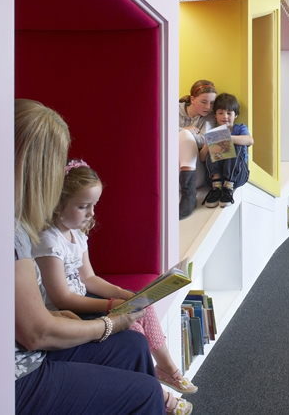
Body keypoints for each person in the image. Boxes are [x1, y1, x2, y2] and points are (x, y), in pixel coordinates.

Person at [13, 99, 173, 415]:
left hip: (26, 352)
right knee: (143, 393)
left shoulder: (17, 224)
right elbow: (36, 333)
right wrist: (109, 324)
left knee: (134, 346)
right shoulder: (13, 231)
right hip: (17, 375)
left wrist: (60, 317)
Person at [32, 160, 197, 410]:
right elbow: (62, 298)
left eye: (93, 206)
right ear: (56, 204)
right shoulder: (48, 242)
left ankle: (167, 368)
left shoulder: (76, 235)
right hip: (69, 312)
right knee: (133, 330)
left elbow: (89, 278)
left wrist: (123, 293)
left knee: (143, 305)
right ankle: (159, 394)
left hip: (84, 301)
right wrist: (111, 303)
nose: (91, 213)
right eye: (82, 206)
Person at [202, 93, 254, 208]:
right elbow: (201, 157)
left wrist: (228, 138)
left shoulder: (240, 128)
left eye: (229, 113)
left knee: (235, 143)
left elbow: (250, 140)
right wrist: (207, 145)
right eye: (220, 113)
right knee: (215, 141)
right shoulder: (212, 131)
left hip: (238, 175)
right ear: (215, 115)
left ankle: (228, 187)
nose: (225, 116)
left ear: (235, 115)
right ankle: (216, 187)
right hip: (217, 176)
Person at [179, 80, 218, 219]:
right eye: (204, 102)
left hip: (196, 174)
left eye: (212, 103)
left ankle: (189, 197)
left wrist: (184, 134)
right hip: (171, 172)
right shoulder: (173, 109)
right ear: (192, 99)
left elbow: (205, 139)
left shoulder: (209, 118)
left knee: (184, 135)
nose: (208, 107)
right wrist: (182, 129)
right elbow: (159, 132)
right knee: (183, 133)